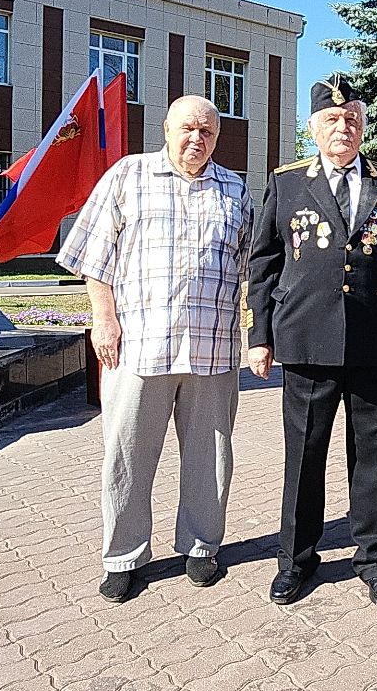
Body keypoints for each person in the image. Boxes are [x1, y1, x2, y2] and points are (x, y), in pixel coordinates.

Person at [57, 96, 252, 603]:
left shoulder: (236, 190)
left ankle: (202, 545)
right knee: (126, 454)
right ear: (166, 129)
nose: (198, 139)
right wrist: (104, 320)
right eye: (188, 128)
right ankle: (123, 555)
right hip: (138, 347)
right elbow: (92, 257)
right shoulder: (128, 176)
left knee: (212, 457)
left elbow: (256, 269)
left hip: (213, 348)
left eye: (208, 131)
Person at [246, 77, 377, 611]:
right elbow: (263, 264)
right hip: (304, 341)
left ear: (363, 126)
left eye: (352, 118)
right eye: (332, 119)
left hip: (374, 343)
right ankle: (296, 562)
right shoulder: (285, 185)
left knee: (372, 456)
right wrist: (260, 335)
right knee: (303, 458)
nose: (343, 127)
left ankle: (376, 561)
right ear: (313, 128)